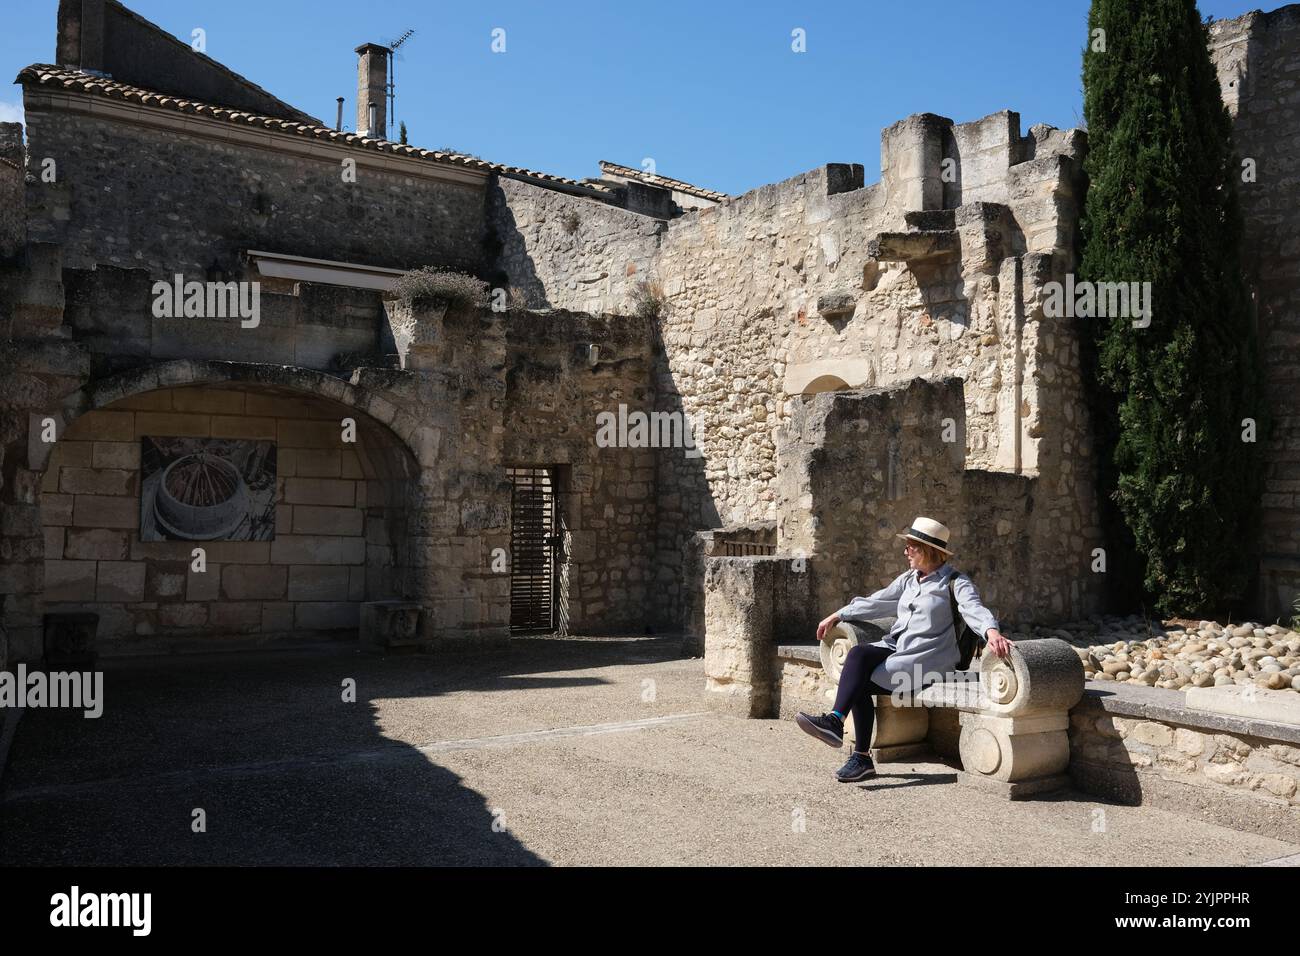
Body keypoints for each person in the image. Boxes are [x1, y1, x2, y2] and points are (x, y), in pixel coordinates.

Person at [795, 516, 1013, 783]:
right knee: (858, 655)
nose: (905, 551)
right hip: (898, 648)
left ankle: (858, 753)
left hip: (928, 659)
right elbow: (878, 602)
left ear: (928, 550)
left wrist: (991, 632)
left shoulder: (955, 583)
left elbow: (974, 609)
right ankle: (837, 723)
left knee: (858, 682)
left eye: (911, 546)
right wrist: (838, 615)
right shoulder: (910, 579)